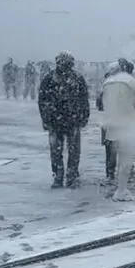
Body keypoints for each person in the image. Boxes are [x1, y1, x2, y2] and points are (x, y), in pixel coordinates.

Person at [38, 52, 91, 189]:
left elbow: (42, 100)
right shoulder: (76, 78)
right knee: (72, 150)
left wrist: (45, 117)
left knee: (57, 150)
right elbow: (84, 99)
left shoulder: (49, 78)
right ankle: (70, 176)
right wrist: (84, 116)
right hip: (70, 119)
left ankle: (59, 175)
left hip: (57, 120)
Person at [100, 58, 135, 201]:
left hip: (111, 123)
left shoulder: (107, 83)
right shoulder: (133, 83)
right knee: (126, 158)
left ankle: (112, 181)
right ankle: (121, 189)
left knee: (113, 154)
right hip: (127, 124)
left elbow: (103, 102)